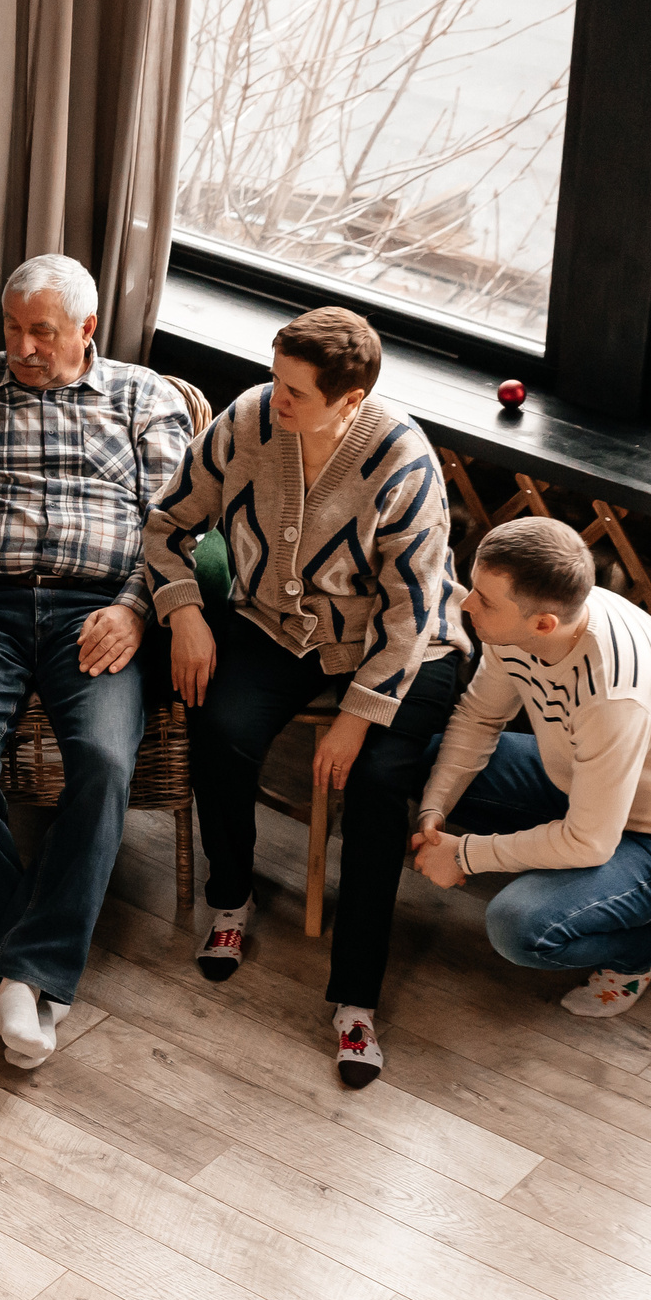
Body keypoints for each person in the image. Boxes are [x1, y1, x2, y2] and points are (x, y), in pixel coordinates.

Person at [0, 254, 192, 1069]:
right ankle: (33, 968)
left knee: (102, 759)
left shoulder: (145, 400)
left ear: (88, 330)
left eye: (42, 331)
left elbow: (181, 529)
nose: (22, 346)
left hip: (100, 611)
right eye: (12, 328)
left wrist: (133, 607)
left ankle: (23, 975)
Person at [143, 305, 469, 1088]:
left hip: (402, 650)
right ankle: (232, 899)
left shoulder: (404, 465)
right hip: (276, 623)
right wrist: (185, 610)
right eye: (275, 376)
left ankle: (356, 1001)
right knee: (219, 725)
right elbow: (164, 524)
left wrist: (357, 719)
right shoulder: (249, 419)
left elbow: (411, 612)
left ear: (348, 401)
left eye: (293, 389)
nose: (273, 397)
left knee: (380, 783)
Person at [410, 517, 651, 1016]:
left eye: (484, 599)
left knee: (519, 927)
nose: (465, 602)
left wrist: (465, 855)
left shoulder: (616, 693)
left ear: (543, 623)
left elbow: (591, 841)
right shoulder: (519, 628)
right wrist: (435, 813)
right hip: (578, 784)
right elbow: (478, 717)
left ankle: (640, 950)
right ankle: (553, 868)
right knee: (421, 760)